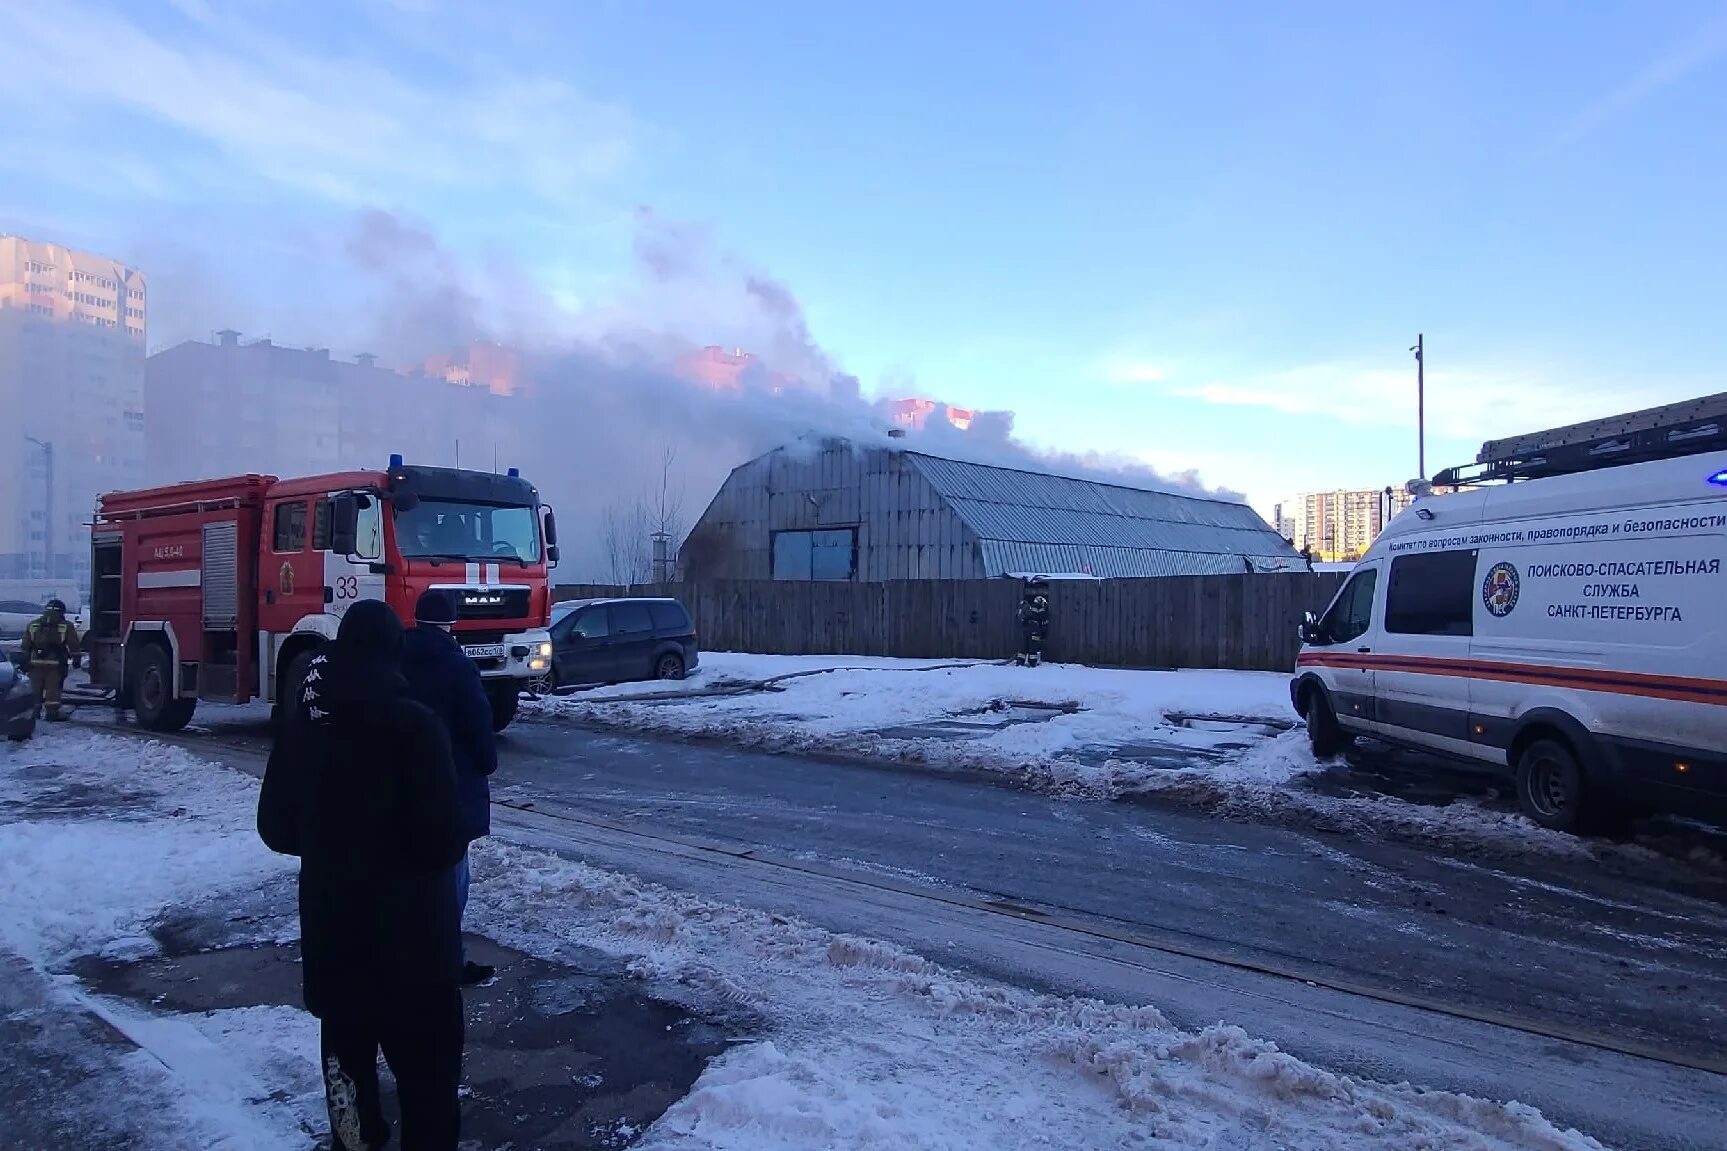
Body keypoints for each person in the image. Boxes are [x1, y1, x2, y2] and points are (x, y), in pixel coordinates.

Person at [257, 599, 469, 1151]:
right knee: (429, 1087)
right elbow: (444, 840)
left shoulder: (305, 727)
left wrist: (329, 843)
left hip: (335, 943)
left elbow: (275, 828)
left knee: (348, 1084)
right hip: (415, 951)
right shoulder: (415, 727)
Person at [401, 588, 499, 986]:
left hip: (405, 789)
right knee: (453, 880)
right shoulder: (457, 666)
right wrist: (486, 763)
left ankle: (408, 955)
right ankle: (446, 961)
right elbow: (478, 725)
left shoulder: (396, 659)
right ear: (450, 622)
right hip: (452, 789)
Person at [23, 599, 81, 721]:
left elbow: (25, 646)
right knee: (53, 690)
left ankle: (34, 712)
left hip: (34, 663)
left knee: (35, 689)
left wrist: (24, 662)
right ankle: (52, 713)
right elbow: (74, 645)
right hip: (55, 664)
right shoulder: (66, 625)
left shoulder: (33, 625)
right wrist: (77, 660)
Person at [1015, 578, 1050, 667]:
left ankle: (1020, 662)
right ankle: (1032, 662)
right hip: (1035, 629)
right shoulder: (1041, 609)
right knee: (1033, 647)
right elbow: (1044, 621)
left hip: (1026, 628)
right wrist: (1044, 633)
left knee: (1023, 646)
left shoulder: (1029, 608)